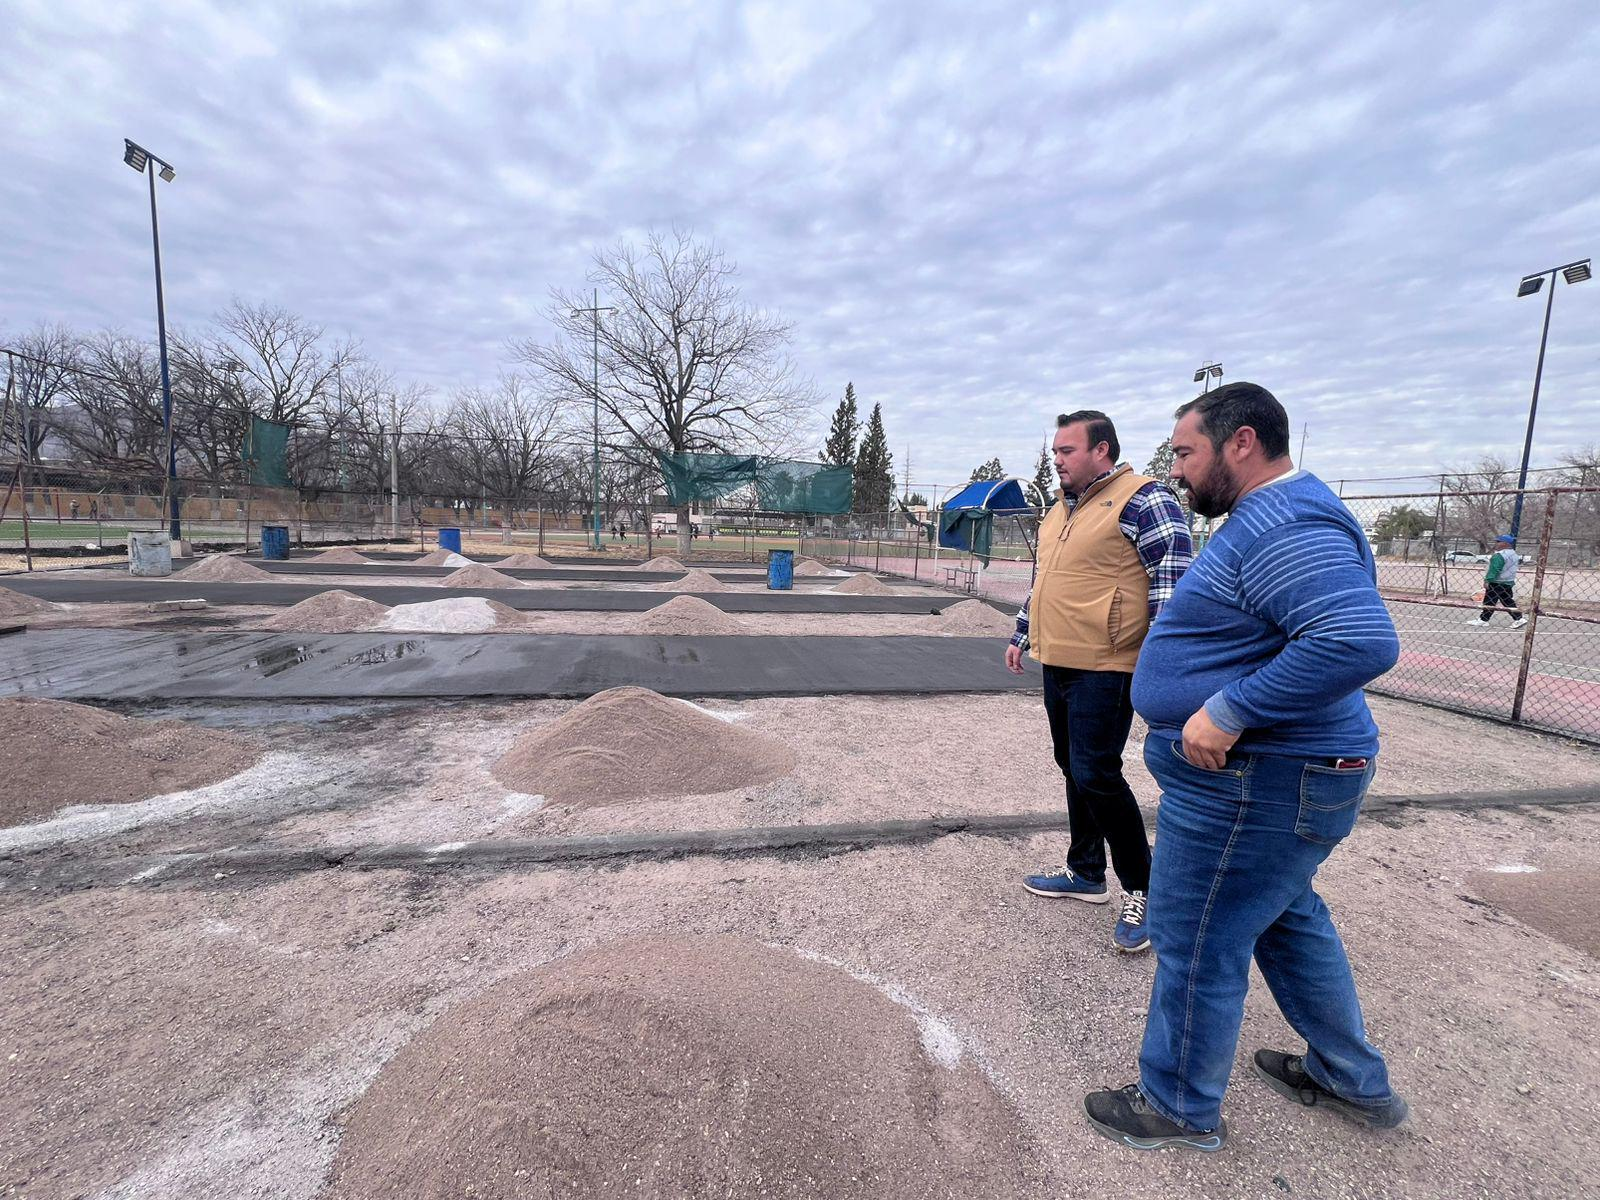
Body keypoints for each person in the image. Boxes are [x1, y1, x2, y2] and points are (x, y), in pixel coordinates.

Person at [1085, 382, 1408, 1152]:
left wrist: (1230, 709)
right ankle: (1352, 1079)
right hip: (1272, 777)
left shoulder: (1286, 517)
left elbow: (1358, 641)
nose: (1177, 472)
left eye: (1186, 453)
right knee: (1285, 921)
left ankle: (1177, 1105)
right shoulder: (1265, 516)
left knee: (1196, 935)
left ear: (1242, 442)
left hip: (1260, 778)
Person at [1004, 410, 1193, 953]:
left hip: (1107, 666)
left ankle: (1143, 887)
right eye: (1057, 452)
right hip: (1058, 658)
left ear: (1101, 451)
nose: (1057, 460)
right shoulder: (1058, 511)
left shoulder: (1143, 499)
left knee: (1097, 772)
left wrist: (1162, 659)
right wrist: (1022, 632)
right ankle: (1086, 871)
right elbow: (1045, 584)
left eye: (1067, 451)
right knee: (1072, 766)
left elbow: (1172, 584)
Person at [1468, 535, 1524, 628]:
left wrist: (1488, 580)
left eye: (1498, 542)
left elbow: (1494, 569)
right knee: (1507, 601)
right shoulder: (1513, 554)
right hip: (1508, 581)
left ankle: (1483, 620)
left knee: (1489, 601)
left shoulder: (1500, 555)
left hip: (1497, 582)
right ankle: (1518, 618)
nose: (1496, 544)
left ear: (1505, 543)